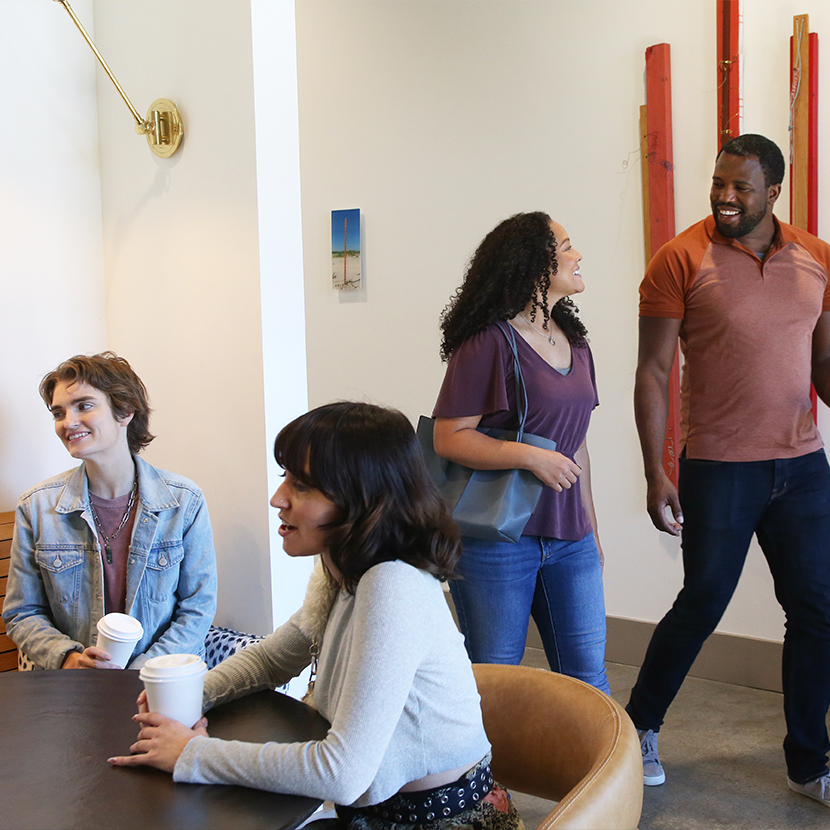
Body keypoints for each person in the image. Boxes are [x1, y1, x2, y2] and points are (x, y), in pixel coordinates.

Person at [109, 402, 524, 830]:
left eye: (302, 486)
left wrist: (192, 754)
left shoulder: (393, 585)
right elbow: (273, 657)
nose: (278, 499)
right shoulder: (342, 566)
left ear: (362, 499)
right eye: (284, 478)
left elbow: (340, 773)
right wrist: (194, 695)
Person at [628, 133, 830, 807]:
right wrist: (658, 471)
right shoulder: (679, 258)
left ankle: (809, 761)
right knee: (703, 603)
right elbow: (654, 372)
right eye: (719, 182)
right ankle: (641, 728)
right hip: (719, 467)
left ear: (774, 191)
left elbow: (822, 365)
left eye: (741, 187)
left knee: (817, 609)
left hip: (802, 466)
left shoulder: (817, 258)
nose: (724, 196)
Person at [431, 211, 609, 693]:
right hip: (497, 542)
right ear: (534, 262)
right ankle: (486, 771)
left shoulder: (575, 341)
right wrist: (530, 456)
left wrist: (589, 527)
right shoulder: (489, 342)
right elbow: (449, 437)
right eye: (567, 245)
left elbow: (578, 445)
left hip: (570, 537)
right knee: (496, 676)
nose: (577, 255)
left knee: (588, 677)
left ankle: (599, 770)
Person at [3, 352, 217, 671]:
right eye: (58, 413)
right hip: (73, 690)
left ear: (125, 411)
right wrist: (69, 658)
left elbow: (197, 607)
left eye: (84, 406)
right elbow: (23, 613)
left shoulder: (184, 501)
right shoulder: (36, 506)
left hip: (159, 682)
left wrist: (143, 671)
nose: (68, 422)